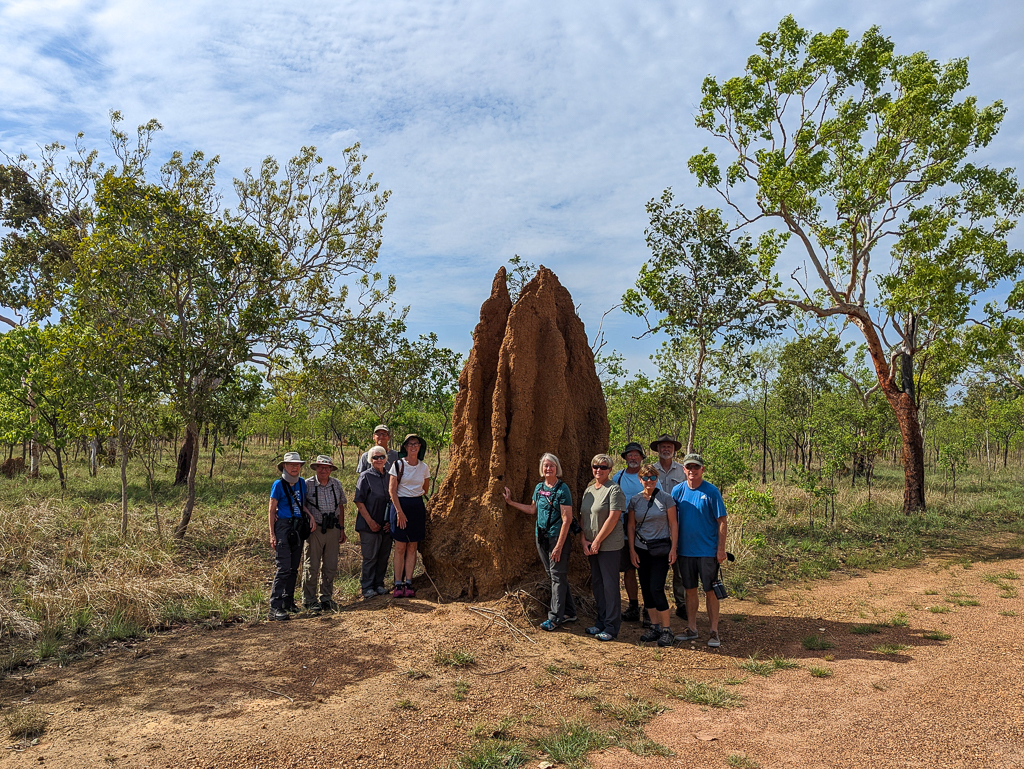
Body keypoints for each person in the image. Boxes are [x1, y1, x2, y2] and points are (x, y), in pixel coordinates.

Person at [503, 453, 577, 631]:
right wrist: (510, 502)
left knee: (557, 576)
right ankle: (570, 611)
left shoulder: (562, 489)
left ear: (557, 467)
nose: (548, 468)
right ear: (541, 469)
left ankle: (555, 618)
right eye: (545, 466)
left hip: (557, 537)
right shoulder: (538, 488)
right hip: (541, 537)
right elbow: (532, 509)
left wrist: (559, 546)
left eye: (551, 465)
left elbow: (567, 519)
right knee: (554, 575)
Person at [670, 453, 728, 647]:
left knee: (710, 591)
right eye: (689, 467)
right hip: (685, 551)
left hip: (707, 552)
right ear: (684, 469)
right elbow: (671, 521)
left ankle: (713, 631)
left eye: (696, 467)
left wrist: (721, 550)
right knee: (690, 590)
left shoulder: (711, 491)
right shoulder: (678, 491)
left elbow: (722, 521)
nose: (692, 471)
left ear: (702, 469)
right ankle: (692, 628)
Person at [627, 463, 678, 647]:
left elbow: (673, 524)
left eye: (653, 477)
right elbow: (631, 526)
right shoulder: (635, 500)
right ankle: (654, 626)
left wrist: (674, 549)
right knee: (647, 589)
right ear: (640, 480)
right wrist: (632, 550)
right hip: (641, 549)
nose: (649, 481)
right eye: (646, 478)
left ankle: (667, 629)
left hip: (661, 549)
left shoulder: (666, 499)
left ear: (657, 479)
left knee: (657, 588)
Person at [580, 453, 627, 642]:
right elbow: (583, 516)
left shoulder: (614, 490)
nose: (598, 470)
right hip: (591, 545)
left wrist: (598, 540)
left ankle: (611, 626)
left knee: (610, 586)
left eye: (603, 467)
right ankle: (600, 622)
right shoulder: (589, 490)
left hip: (609, 546)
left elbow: (614, 517)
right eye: (595, 466)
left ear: (610, 470)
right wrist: (584, 540)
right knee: (598, 585)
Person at [612, 442, 660, 625]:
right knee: (629, 570)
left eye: (636, 455)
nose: (633, 458)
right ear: (625, 458)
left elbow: (659, 500)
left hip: (647, 533)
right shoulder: (619, 477)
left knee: (647, 571)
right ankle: (633, 606)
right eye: (629, 455)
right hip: (623, 531)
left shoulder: (651, 476)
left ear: (641, 457)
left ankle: (650, 609)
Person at [267, 452, 316, 621]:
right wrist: (272, 534)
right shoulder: (278, 484)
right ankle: (275, 607)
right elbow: (272, 509)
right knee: (283, 568)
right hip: (283, 527)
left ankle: (288, 602)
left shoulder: (302, 483)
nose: (295, 468)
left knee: (294, 567)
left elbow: (301, 505)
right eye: (291, 465)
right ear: (284, 466)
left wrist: (310, 516)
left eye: (297, 465)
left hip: (297, 526)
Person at [301, 455, 347, 612]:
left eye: (327, 468)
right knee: (311, 565)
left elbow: (341, 507)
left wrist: (342, 528)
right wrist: (310, 518)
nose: (324, 470)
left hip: (333, 529)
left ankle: (326, 598)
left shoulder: (336, 484)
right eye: (321, 467)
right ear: (315, 468)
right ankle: (309, 600)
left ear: (331, 469)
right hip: (314, 530)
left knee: (330, 566)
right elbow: (301, 505)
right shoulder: (307, 484)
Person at [650, 434, 688, 622]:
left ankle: (681, 604)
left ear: (674, 450)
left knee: (679, 568)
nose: (666, 449)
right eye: (663, 447)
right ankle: (655, 605)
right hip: (655, 526)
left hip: (678, 524)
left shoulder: (682, 471)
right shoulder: (650, 471)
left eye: (669, 447)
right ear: (658, 449)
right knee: (656, 567)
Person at [388, 434, 431, 598]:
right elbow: (392, 490)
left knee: (412, 547)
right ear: (405, 447)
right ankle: (397, 584)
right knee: (400, 547)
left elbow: (425, 489)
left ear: (420, 447)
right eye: (410, 444)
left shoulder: (424, 467)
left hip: (417, 507)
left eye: (416, 444)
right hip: (400, 506)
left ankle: (408, 582)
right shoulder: (398, 465)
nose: (413, 446)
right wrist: (399, 511)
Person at [355, 446, 393, 598]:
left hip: (385, 525)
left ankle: (379, 584)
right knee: (370, 557)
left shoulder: (390, 476)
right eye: (375, 457)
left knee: (383, 556)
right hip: (368, 525)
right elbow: (359, 501)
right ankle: (367, 587)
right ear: (370, 460)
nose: (379, 460)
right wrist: (370, 521)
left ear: (386, 458)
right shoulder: (365, 476)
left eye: (381, 457)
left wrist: (390, 521)